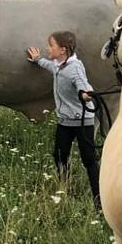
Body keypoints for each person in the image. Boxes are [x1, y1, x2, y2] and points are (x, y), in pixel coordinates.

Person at [27, 31, 100, 210]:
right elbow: (51, 67)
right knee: (60, 156)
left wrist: (85, 94)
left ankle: (99, 200)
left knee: (89, 161)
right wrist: (37, 60)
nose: (47, 48)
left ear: (63, 50)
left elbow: (82, 83)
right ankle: (64, 188)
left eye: (51, 46)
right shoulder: (59, 65)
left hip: (82, 122)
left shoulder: (74, 67)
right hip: (65, 122)